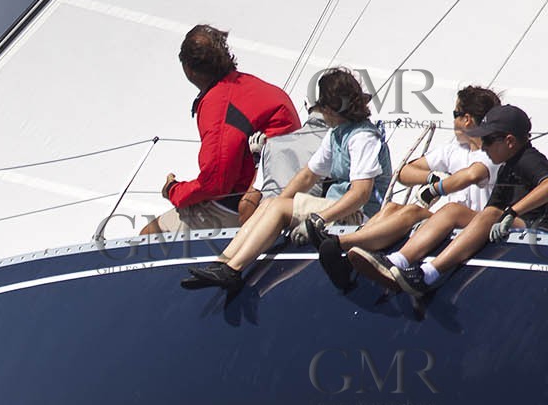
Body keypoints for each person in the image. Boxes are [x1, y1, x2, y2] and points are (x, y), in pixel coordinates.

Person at [182, 68, 390, 293]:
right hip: (341, 210)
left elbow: (361, 194)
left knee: (278, 207)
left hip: (358, 218)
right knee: (273, 204)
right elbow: (308, 175)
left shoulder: (362, 137)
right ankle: (223, 263)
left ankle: (233, 269)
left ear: (329, 108)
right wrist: (276, 204)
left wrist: (319, 219)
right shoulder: (337, 133)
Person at [362, 103, 548, 297]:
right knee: (454, 209)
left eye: (488, 140)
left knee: (491, 214)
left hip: (537, 231)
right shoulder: (506, 167)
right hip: (514, 225)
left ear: (510, 141)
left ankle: (428, 274)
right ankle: (397, 261)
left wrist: (513, 211)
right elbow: (491, 208)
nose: (483, 146)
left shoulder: (529, 158)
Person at [324, 86, 500, 283]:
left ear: (466, 119)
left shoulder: (494, 151)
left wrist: (437, 188)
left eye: (455, 114)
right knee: (392, 208)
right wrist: (432, 177)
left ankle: (341, 244)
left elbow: (472, 175)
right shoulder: (454, 149)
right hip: (448, 222)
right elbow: (404, 173)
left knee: (432, 211)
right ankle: (356, 256)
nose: (453, 121)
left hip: (476, 223)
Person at [145, 25, 300, 235]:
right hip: (286, 188)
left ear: (188, 69)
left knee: (150, 235)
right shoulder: (252, 86)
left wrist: (174, 190)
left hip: (248, 204)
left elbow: (217, 183)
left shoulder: (219, 105)